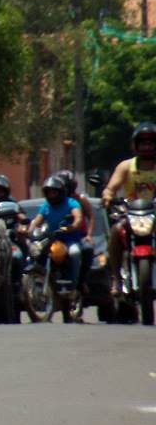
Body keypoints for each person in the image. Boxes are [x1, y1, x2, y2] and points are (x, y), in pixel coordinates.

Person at [102, 121, 156, 294]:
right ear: (136, 145)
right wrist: (108, 196)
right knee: (116, 231)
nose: (147, 147)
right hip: (131, 214)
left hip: (154, 214)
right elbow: (111, 188)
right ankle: (116, 279)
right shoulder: (126, 166)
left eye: (150, 142)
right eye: (143, 142)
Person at [28, 175, 85, 289]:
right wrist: (30, 230)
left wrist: (72, 227)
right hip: (51, 240)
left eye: (54, 192)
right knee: (33, 253)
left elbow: (78, 218)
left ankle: (73, 285)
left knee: (75, 253)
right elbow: (37, 220)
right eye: (49, 193)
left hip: (69, 239)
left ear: (61, 192)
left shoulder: (71, 203)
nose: (51, 195)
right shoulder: (46, 206)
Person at [56, 169, 95, 295]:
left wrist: (89, 235)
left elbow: (91, 216)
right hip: (58, 237)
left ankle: (81, 280)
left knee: (88, 249)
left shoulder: (80, 199)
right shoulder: (54, 201)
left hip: (78, 236)